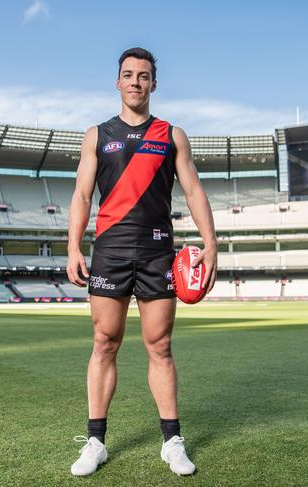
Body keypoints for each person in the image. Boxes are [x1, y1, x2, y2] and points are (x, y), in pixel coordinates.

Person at [66, 47, 217, 477]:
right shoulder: (96, 134)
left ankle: (172, 441)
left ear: (154, 84)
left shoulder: (172, 135)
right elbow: (80, 195)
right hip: (110, 252)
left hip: (156, 252)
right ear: (118, 82)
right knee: (104, 342)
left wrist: (211, 244)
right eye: (128, 75)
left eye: (144, 76)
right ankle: (96, 441)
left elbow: (193, 191)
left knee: (160, 346)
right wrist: (74, 246)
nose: (136, 82)